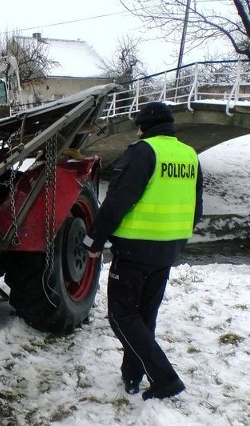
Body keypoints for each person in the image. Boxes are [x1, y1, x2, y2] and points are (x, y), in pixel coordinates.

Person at [82, 101, 203, 400]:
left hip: (135, 251)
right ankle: (132, 376)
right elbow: (196, 209)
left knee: (122, 316)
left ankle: (164, 377)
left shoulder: (143, 152)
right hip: (170, 249)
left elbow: (117, 201)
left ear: (143, 127)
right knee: (145, 315)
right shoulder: (190, 156)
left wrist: (93, 241)